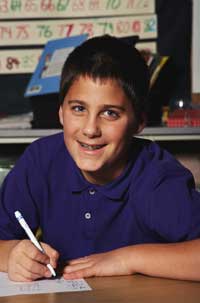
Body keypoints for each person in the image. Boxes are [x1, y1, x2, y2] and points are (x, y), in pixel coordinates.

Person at [0, 35, 200, 282]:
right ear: (61, 112)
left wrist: (126, 259)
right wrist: (11, 254)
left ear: (139, 122)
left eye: (110, 113)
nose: (90, 129)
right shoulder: (41, 160)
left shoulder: (156, 175)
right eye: (79, 109)